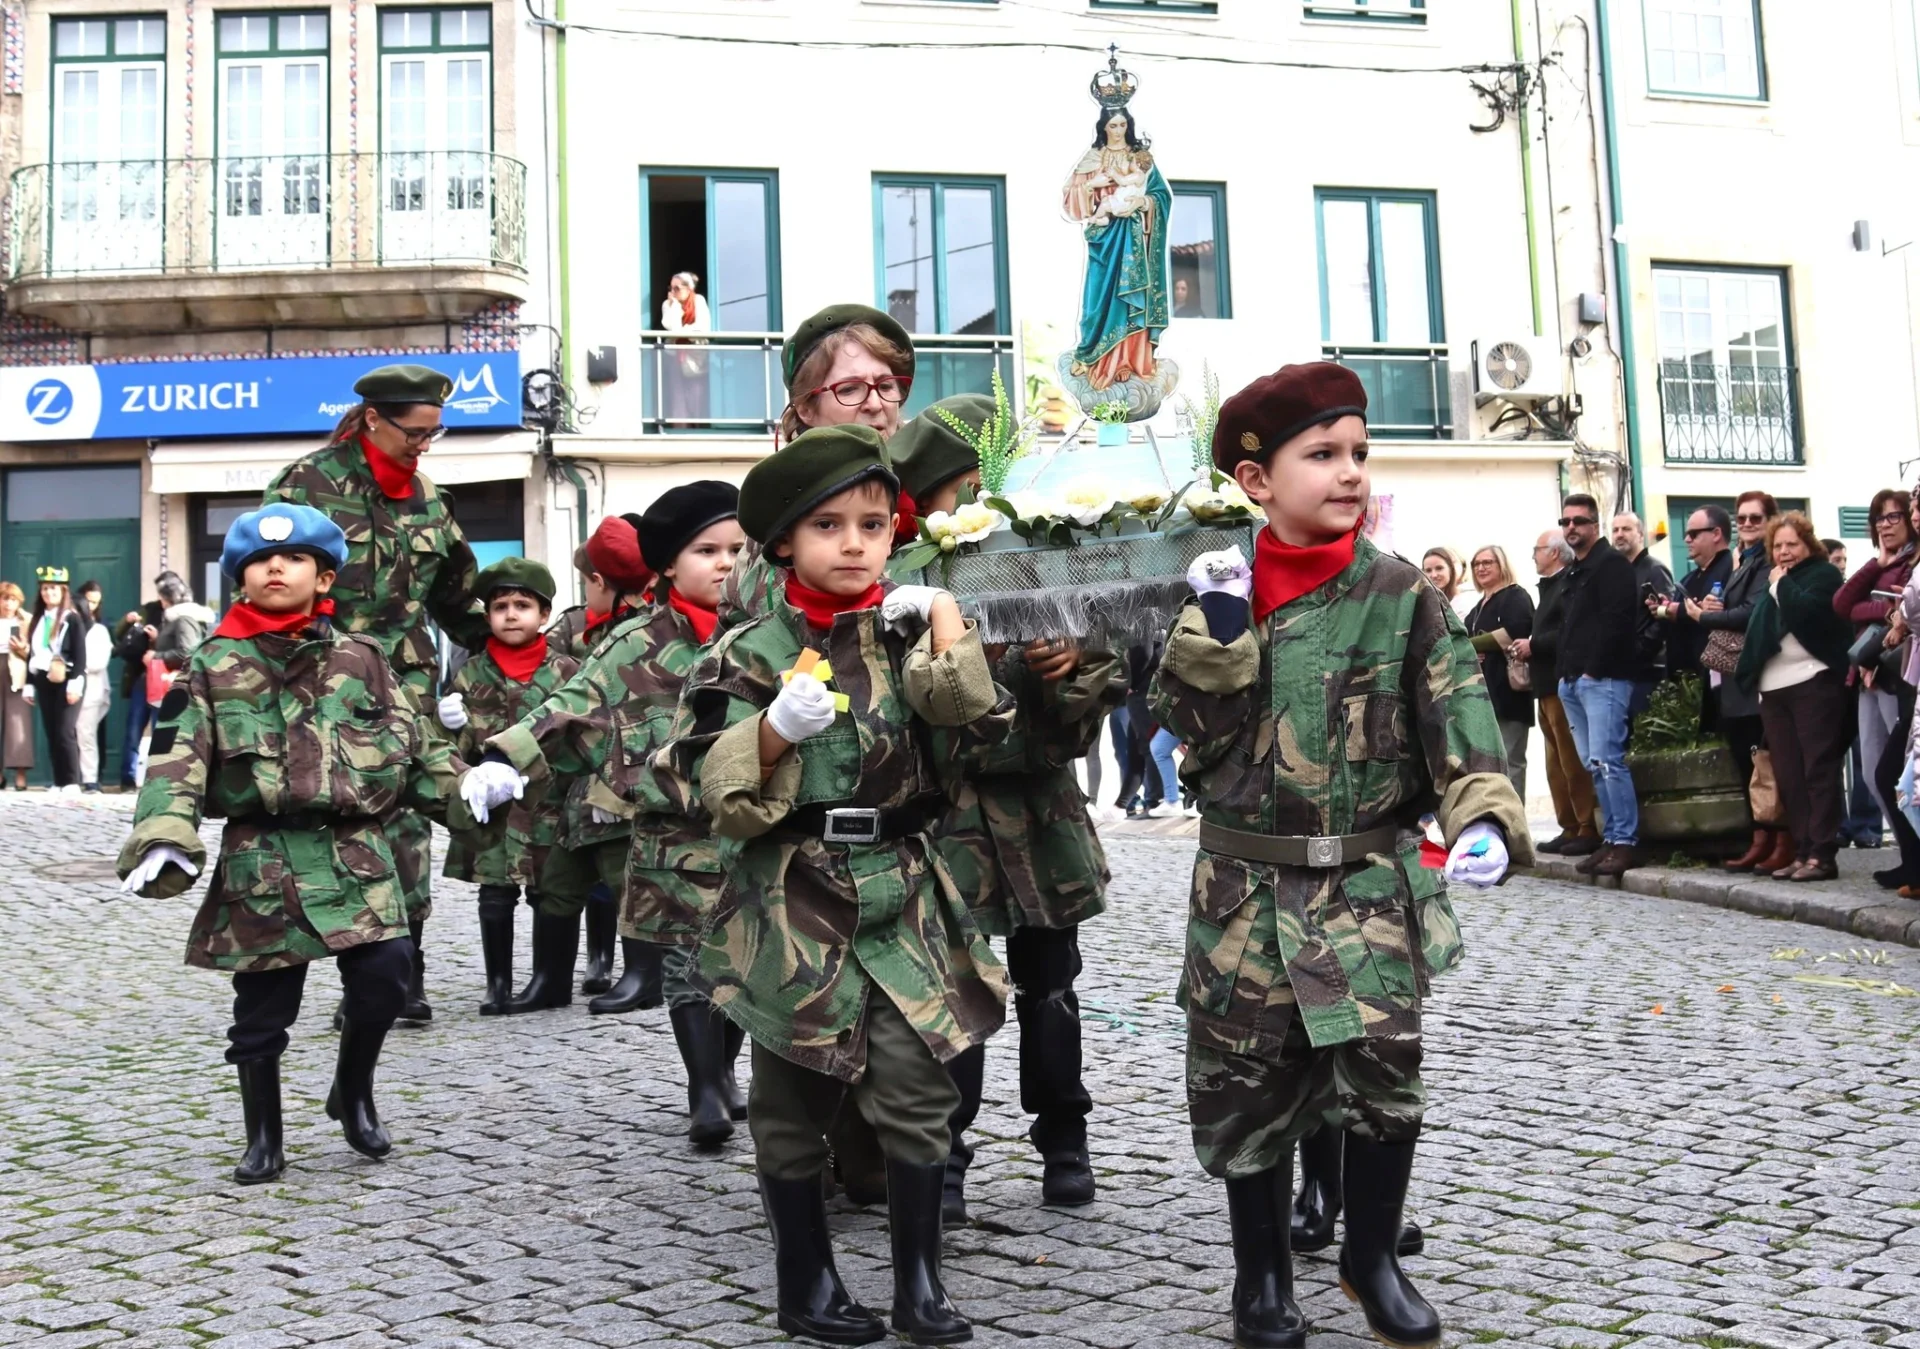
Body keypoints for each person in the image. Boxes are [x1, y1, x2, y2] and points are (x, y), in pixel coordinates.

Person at [1154, 362, 1528, 1349]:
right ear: (1254, 481)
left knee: (1381, 1070)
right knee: (1248, 1082)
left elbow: (1461, 720)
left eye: (1359, 451)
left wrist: (1483, 817)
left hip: (1365, 885)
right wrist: (1220, 628)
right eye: (1322, 454)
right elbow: (1188, 733)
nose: (1350, 470)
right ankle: (1263, 1278)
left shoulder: (1403, 594)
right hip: (1243, 887)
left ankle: (1371, 1260)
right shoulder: (1213, 593)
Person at [656, 425, 1011, 1345]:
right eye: (828, 526)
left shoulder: (902, 636)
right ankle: (804, 1282)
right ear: (783, 543)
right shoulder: (746, 650)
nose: (856, 543)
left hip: (901, 885)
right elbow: (709, 790)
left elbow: (980, 730)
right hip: (793, 894)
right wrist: (771, 730)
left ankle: (919, 1285)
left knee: (919, 1089)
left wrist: (944, 622)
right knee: (794, 1096)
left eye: (873, 523)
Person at [115, 505, 485, 1185]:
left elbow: (417, 750)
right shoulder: (211, 666)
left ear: (325, 577)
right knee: (262, 1010)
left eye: (292, 559)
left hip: (356, 853)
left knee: (387, 976)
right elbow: (174, 759)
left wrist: (471, 787)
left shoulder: (363, 660)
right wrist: (164, 835)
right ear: (240, 579)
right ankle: (264, 1137)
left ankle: (353, 1090)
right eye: (258, 561)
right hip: (265, 856)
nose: (274, 567)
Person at [891, 395, 1124, 1220]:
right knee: (956, 991)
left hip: (1041, 813)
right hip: (951, 817)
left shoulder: (1049, 563)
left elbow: (1091, 710)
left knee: (1050, 986)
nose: (979, 504)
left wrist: (1069, 671)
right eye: (963, 488)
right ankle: (947, 1156)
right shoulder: (907, 581)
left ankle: (1065, 1137)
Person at [482, 483, 753, 1142]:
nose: (725, 562)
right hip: (671, 830)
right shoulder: (636, 641)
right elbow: (574, 702)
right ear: (666, 566)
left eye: (739, 550)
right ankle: (704, 1085)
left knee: (744, 964)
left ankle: (722, 1065)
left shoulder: (767, 633)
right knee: (689, 962)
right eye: (707, 549)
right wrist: (504, 758)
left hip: (752, 828)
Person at [261, 363, 490, 1025]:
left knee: (407, 821)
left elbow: (456, 594)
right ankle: (345, 970)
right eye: (413, 432)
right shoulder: (305, 484)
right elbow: (267, 583)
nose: (423, 444)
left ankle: (401, 981)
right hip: (323, 681)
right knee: (334, 819)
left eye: (433, 433)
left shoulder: (428, 497)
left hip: (407, 682)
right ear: (371, 419)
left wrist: (509, 643)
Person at [434, 559, 581, 1015]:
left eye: (523, 605)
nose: (511, 614)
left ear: (544, 615)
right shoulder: (470, 673)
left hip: (550, 805)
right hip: (492, 808)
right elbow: (448, 750)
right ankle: (496, 983)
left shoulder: (568, 671)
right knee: (495, 894)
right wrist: (447, 723)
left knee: (550, 892)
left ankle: (547, 979)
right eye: (500, 606)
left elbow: (585, 732)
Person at [543, 516, 661, 1005]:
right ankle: (549, 980)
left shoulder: (643, 632)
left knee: (629, 880)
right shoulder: (582, 626)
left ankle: (642, 976)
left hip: (626, 780)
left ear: (599, 581)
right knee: (558, 881)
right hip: (578, 781)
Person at [1733, 514, 1852, 881]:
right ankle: (1802, 849)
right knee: (1789, 775)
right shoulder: (1775, 579)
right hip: (1774, 689)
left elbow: (1805, 615)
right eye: (1778, 546)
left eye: (1792, 544)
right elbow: (1760, 630)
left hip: (1813, 682)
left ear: (1808, 545)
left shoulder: (1822, 577)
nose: (1784, 552)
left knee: (1818, 768)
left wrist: (1780, 585)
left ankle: (1823, 853)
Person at [1554, 494, 1646, 876]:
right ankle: (1610, 839)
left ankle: (1624, 842)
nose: (1571, 528)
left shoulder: (1612, 566)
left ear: (1595, 526)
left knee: (1609, 761)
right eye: (1566, 522)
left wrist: (1592, 670)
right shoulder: (1575, 570)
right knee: (1595, 764)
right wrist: (1567, 675)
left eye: (1579, 521)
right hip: (1574, 681)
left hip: (1603, 678)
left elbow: (1618, 623)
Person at [1702, 492, 1786, 875]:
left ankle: (1777, 838)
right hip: (1734, 681)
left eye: (1756, 518)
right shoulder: (1743, 560)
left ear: (1770, 520)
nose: (1748, 525)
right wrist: (1717, 609)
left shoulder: (1769, 559)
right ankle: (1760, 838)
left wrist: (1707, 618)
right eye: (1743, 519)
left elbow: (1752, 613)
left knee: (1765, 765)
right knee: (1747, 762)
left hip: (1757, 677)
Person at [1062, 105, 1171, 391]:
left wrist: (1144, 203)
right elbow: (1070, 202)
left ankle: (1128, 362)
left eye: (1123, 125)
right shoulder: (1092, 159)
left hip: (1133, 239)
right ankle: (1093, 357)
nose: (1119, 131)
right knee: (1097, 301)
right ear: (1104, 128)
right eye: (1113, 126)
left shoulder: (1140, 159)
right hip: (1104, 238)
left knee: (1130, 298)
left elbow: (1161, 196)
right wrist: (1090, 187)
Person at [1833, 490, 1913, 843]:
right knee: (1873, 773)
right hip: (1867, 674)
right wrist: (1877, 573)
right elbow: (1843, 604)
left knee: (1898, 771)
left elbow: (1908, 610)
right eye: (1879, 518)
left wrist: (1885, 607)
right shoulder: (1883, 563)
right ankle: (1908, 856)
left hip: (1897, 671)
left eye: (1894, 516)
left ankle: (1913, 856)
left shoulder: (1913, 562)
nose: (1885, 525)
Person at [1512, 531, 1599, 854]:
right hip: (1544, 685)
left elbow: (1566, 631)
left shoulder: (1566, 585)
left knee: (1571, 758)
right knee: (1554, 762)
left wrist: (1532, 644)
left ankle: (1587, 825)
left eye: (1537, 549)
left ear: (1554, 553)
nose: (1534, 555)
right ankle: (1569, 825)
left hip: (1560, 682)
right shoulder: (1549, 587)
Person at [1463, 545, 1535, 802]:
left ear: (1502, 564)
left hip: (1508, 691)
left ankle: (1514, 823)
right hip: (1481, 695)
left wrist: (1473, 645)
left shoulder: (1516, 596)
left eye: (1487, 562)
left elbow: (1515, 630)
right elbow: (1460, 639)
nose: (1481, 568)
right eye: (1476, 563)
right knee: (1487, 766)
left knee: (1510, 761)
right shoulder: (1477, 608)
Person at [113, 573, 183, 789]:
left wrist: (157, 640)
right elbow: (119, 634)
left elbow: (184, 650)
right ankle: (128, 778)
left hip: (165, 679)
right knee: (134, 729)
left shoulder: (182, 614)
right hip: (143, 678)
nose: (161, 598)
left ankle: (160, 779)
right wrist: (127, 622)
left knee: (160, 729)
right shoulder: (149, 609)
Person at [24, 566, 89, 795]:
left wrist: (75, 683)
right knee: (51, 731)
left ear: (63, 591)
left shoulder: (72, 618)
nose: (48, 593)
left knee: (64, 731)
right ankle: (59, 781)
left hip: (67, 678)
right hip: (43, 677)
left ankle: (72, 781)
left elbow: (81, 655)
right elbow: (31, 654)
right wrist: (29, 683)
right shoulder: (38, 619)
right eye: (44, 588)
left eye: (53, 588)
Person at [1650, 505, 1734, 683]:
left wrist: (1677, 610)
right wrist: (1663, 609)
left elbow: (1721, 613)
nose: (1687, 539)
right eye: (1686, 534)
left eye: (1694, 534)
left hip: (1714, 677)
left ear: (1716, 534)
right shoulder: (1690, 577)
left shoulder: (1732, 570)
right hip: (1684, 679)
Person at [1611, 512, 1673, 712]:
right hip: (1618, 673)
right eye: (1615, 530)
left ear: (1640, 534)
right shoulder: (1615, 573)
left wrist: (1640, 649)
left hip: (1648, 673)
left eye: (1626, 529)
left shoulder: (1655, 570)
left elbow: (1666, 617)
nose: (1620, 534)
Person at [73, 580, 113, 793]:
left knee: (86, 733)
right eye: (88, 601)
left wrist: (74, 665)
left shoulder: (99, 630)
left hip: (92, 688)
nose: (91, 607)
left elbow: (98, 662)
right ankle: (68, 778)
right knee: (67, 734)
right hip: (69, 687)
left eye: (96, 603)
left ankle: (90, 778)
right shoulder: (66, 626)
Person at [662, 271, 712, 428]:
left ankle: (697, 428)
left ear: (688, 288)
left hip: (696, 358)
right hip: (675, 357)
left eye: (677, 288)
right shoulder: (668, 304)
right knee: (677, 396)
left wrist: (684, 332)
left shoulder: (698, 300)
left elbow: (703, 328)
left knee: (696, 395)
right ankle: (680, 428)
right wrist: (675, 306)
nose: (672, 292)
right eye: (671, 288)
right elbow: (672, 327)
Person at [2, 581, 33, 790]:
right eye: (5, 598)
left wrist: (22, 648)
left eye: (13, 599)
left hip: (16, 670)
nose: (8, 603)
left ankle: (20, 774)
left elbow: (36, 648)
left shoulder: (26, 620)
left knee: (18, 723)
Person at [1420, 547, 1475, 619]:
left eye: (1439, 568)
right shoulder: (1427, 602)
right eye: (1428, 570)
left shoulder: (1465, 602)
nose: (1434, 575)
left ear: (1451, 569)